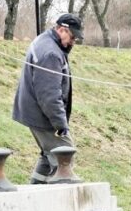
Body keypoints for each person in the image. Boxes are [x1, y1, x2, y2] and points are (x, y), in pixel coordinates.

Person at [12, 13, 83, 184]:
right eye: (72, 37)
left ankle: (35, 188)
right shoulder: (51, 53)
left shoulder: (44, 40)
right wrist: (61, 125)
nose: (73, 42)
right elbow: (49, 96)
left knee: (48, 154)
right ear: (61, 30)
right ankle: (61, 199)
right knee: (64, 156)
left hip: (31, 110)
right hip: (42, 114)